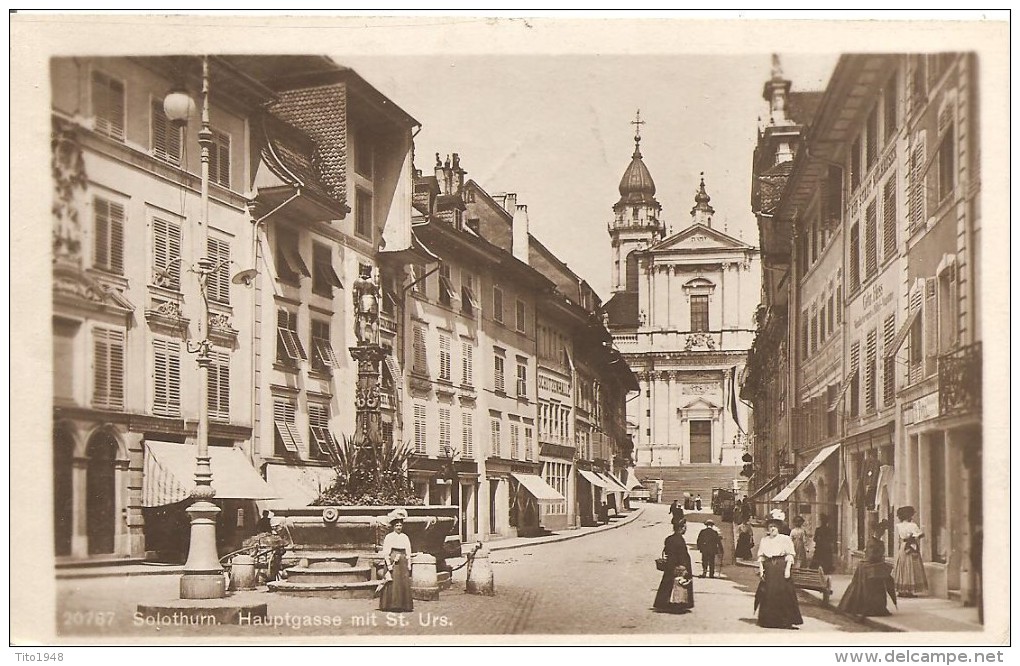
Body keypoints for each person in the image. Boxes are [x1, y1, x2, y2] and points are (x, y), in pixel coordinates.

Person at [754, 516, 804, 629]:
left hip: (781, 567)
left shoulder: (785, 539)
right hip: (769, 568)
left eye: (775, 527)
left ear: (779, 528)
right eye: (770, 526)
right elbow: (761, 556)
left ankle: (785, 621)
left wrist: (787, 570)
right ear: (768, 528)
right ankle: (769, 621)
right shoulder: (764, 540)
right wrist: (761, 571)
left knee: (784, 593)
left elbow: (790, 554)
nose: (772, 529)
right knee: (769, 593)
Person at [838, 530, 897, 618]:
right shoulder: (872, 543)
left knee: (882, 585)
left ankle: (878, 608)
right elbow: (871, 556)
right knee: (867, 587)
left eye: (882, 533)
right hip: (869, 566)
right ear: (875, 532)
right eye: (879, 532)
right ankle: (868, 608)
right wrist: (879, 558)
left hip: (875, 566)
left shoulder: (879, 542)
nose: (881, 534)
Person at [653, 520, 695, 613]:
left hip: (670, 564)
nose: (685, 529)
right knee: (680, 583)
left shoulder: (669, 538)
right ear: (680, 528)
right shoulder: (680, 540)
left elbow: (666, 551)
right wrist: (684, 566)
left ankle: (662, 602)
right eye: (684, 527)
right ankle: (678, 603)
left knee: (667, 583)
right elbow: (682, 554)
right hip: (678, 564)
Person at [378, 508, 414, 613]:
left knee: (403, 582)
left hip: (402, 561)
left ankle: (404, 605)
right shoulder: (389, 537)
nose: (399, 527)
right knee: (393, 583)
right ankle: (391, 605)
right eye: (397, 525)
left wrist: (409, 563)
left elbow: (408, 550)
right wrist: (389, 564)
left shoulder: (405, 537)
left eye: (400, 525)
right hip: (393, 560)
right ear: (393, 527)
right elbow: (386, 552)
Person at [893, 506, 928, 597]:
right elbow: (920, 535)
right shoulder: (913, 525)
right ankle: (908, 591)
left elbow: (899, 538)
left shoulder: (899, 526)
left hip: (903, 547)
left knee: (902, 567)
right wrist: (916, 537)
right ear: (909, 515)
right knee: (910, 567)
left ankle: (901, 590)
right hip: (910, 546)